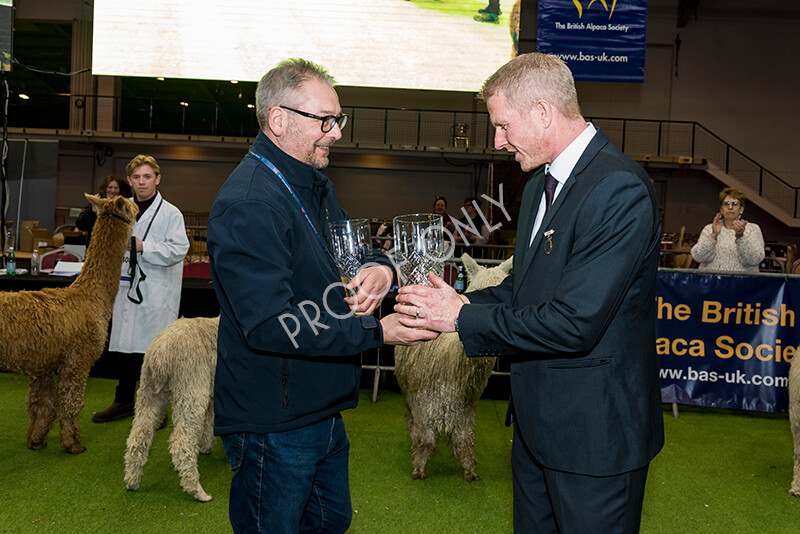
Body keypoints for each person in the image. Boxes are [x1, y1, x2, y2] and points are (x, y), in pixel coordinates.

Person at [392, 53, 664, 533]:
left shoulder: (617, 188)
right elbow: (525, 288)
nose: (497, 141)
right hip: (537, 432)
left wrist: (461, 319)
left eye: (503, 125)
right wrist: (451, 306)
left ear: (542, 112)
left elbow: (574, 322)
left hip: (593, 442)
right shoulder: (540, 184)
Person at [206, 58, 432, 534]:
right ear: (278, 119)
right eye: (324, 121)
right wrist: (375, 329)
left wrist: (380, 267)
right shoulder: (250, 202)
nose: (335, 132)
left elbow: (350, 250)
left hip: (319, 405)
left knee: (330, 521)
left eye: (338, 120)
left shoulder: (312, 185)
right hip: (275, 419)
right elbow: (273, 324)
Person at [92, 155, 189, 423]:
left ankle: (157, 410)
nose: (142, 182)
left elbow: (180, 249)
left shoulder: (171, 213)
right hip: (125, 287)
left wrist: (144, 246)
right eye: (136, 177)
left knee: (152, 352)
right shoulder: (122, 208)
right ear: (130, 181)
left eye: (147, 177)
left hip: (157, 291)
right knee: (127, 348)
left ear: (157, 179)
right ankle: (123, 401)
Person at [690, 187, 765, 273]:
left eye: (735, 204)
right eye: (726, 204)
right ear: (721, 209)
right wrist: (713, 236)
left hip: (742, 283)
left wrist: (741, 237)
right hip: (712, 283)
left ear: (741, 209)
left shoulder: (753, 229)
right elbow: (698, 257)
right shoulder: (709, 229)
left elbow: (755, 259)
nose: (730, 207)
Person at [75, 175, 132, 241]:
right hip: (97, 245)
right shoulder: (96, 203)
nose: (113, 190)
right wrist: (92, 211)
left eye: (116, 188)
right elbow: (81, 226)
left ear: (120, 190)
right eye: (110, 187)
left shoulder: (124, 205)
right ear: (105, 189)